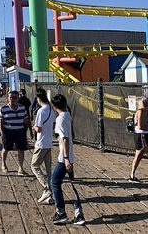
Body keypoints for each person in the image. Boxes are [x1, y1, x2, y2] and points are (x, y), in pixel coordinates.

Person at [49, 93, 85, 226]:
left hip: (64, 158)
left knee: (55, 182)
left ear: (54, 106)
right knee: (71, 183)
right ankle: (78, 213)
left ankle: (61, 212)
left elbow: (64, 138)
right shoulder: (67, 115)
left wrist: (65, 159)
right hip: (70, 156)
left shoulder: (59, 119)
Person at [31, 90, 55, 205]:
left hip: (41, 143)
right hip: (49, 142)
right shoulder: (51, 110)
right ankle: (50, 196)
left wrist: (33, 127)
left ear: (39, 99)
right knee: (48, 169)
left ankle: (46, 187)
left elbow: (39, 128)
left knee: (34, 166)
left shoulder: (41, 111)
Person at [0, 90, 29, 175]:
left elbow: (26, 120)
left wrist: (28, 130)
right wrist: (2, 133)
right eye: (10, 97)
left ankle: (21, 168)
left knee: (21, 149)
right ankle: (3, 164)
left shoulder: (22, 108)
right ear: (8, 98)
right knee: (6, 148)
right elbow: (1, 122)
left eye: (15, 97)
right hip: (8, 131)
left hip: (20, 131)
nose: (12, 99)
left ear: (18, 98)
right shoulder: (3, 108)